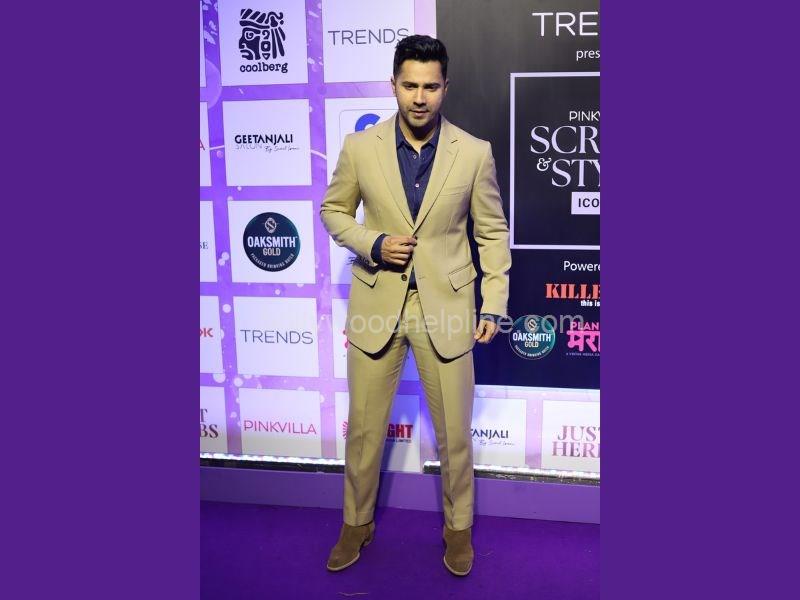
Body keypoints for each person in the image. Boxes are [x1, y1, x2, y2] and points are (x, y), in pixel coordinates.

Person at [320, 35, 511, 576]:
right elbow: (334, 211)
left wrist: (493, 303)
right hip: (376, 303)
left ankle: (458, 529)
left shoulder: (473, 152)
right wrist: (374, 243)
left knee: (454, 434)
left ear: (445, 86)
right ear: (394, 85)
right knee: (363, 431)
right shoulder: (361, 147)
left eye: (430, 86)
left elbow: (492, 233)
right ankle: (356, 523)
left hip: (447, 308)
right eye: (410, 85)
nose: (420, 97)